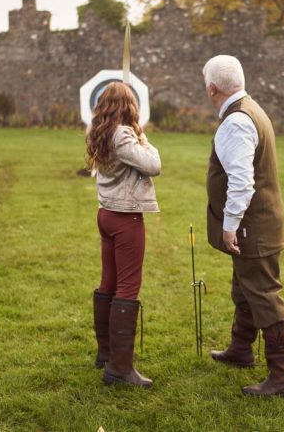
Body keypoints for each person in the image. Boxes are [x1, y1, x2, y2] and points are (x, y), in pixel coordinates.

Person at [203, 54, 284, 399]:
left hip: (252, 226)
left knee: (263, 295)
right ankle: (240, 350)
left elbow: (242, 182)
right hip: (258, 223)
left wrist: (229, 225)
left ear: (212, 88)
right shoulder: (249, 109)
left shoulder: (237, 121)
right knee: (244, 288)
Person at [85, 82, 161, 388]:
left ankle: (106, 354)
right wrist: (142, 135)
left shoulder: (100, 132)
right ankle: (120, 368)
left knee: (110, 283)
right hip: (125, 217)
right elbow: (154, 164)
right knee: (128, 287)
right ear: (129, 107)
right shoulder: (124, 134)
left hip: (106, 215)